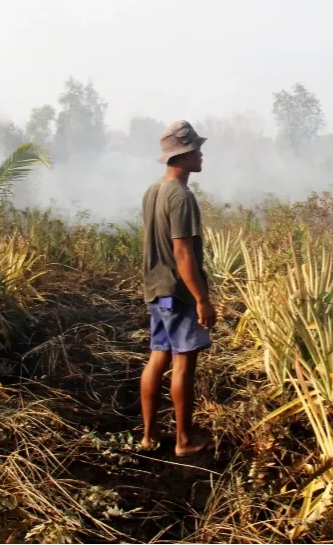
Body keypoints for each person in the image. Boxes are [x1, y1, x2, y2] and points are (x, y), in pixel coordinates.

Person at [139, 119, 216, 457]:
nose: (201, 154)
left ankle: (149, 434)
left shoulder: (153, 191)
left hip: (156, 288)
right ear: (183, 155)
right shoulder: (180, 196)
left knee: (158, 356)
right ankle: (184, 441)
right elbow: (182, 251)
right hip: (179, 290)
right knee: (184, 363)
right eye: (196, 149)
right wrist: (201, 299)